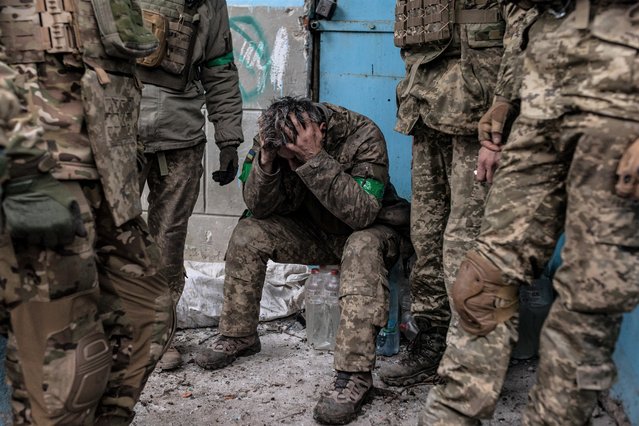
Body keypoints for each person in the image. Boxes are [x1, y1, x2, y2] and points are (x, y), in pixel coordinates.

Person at [421, 0, 639, 424]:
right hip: (542, 100)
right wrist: (507, 94)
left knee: (587, 305)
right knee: (482, 282)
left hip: (621, 110)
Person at [0, 2, 174, 424]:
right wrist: (21, 169)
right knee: (65, 367)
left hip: (106, 171)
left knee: (147, 314)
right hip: (37, 170)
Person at [195, 97, 411, 424]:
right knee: (250, 231)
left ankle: (354, 375)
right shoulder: (276, 134)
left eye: (293, 154)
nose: (290, 161)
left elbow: (362, 215)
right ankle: (238, 334)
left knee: (361, 245)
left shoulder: (363, 134)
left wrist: (313, 158)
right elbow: (258, 205)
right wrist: (267, 160)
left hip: (371, 230)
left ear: (320, 130)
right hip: (313, 231)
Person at [379, 0, 523, 387]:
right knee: (426, 236)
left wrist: (503, 112)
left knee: (468, 243)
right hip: (426, 107)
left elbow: (522, 35)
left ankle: (472, 356)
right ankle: (432, 340)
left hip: (480, 114)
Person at [137, 0, 243, 371]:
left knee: (167, 242)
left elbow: (219, 67)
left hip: (180, 136)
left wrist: (228, 138)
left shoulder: (209, 2)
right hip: (119, 135)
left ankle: (159, 338)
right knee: (109, 236)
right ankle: (110, 335)